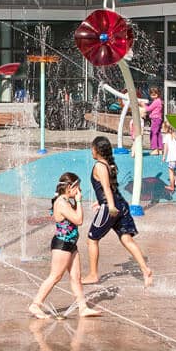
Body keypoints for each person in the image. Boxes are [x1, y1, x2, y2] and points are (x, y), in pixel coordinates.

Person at [84, 136, 154, 287]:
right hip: (121, 203)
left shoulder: (99, 166)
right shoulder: (109, 165)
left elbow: (106, 188)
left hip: (111, 207)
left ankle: (93, 275)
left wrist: (109, 205)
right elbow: (109, 188)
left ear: (97, 150)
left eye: (92, 148)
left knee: (92, 239)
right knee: (126, 239)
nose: (91, 151)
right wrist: (100, 200)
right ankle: (145, 269)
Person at [29, 172, 100, 319]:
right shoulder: (61, 202)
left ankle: (83, 308)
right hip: (62, 244)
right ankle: (35, 304)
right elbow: (79, 220)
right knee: (55, 276)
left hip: (71, 244)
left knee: (76, 277)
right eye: (77, 187)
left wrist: (78, 202)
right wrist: (79, 201)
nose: (79, 190)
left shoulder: (66, 201)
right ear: (69, 187)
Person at [137, 86, 164, 154]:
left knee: (153, 133)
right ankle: (160, 149)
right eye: (152, 94)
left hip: (155, 119)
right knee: (158, 133)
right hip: (158, 119)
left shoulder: (156, 101)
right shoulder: (159, 101)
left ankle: (155, 149)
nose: (153, 96)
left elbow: (148, 109)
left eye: (155, 94)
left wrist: (143, 105)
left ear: (158, 94)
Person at [162, 122, 176, 192]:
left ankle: (172, 186)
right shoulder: (175, 135)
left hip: (172, 157)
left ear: (166, 128)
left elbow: (166, 148)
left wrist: (164, 156)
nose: (162, 129)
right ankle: (175, 182)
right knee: (174, 170)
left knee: (171, 171)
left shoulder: (166, 136)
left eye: (163, 127)